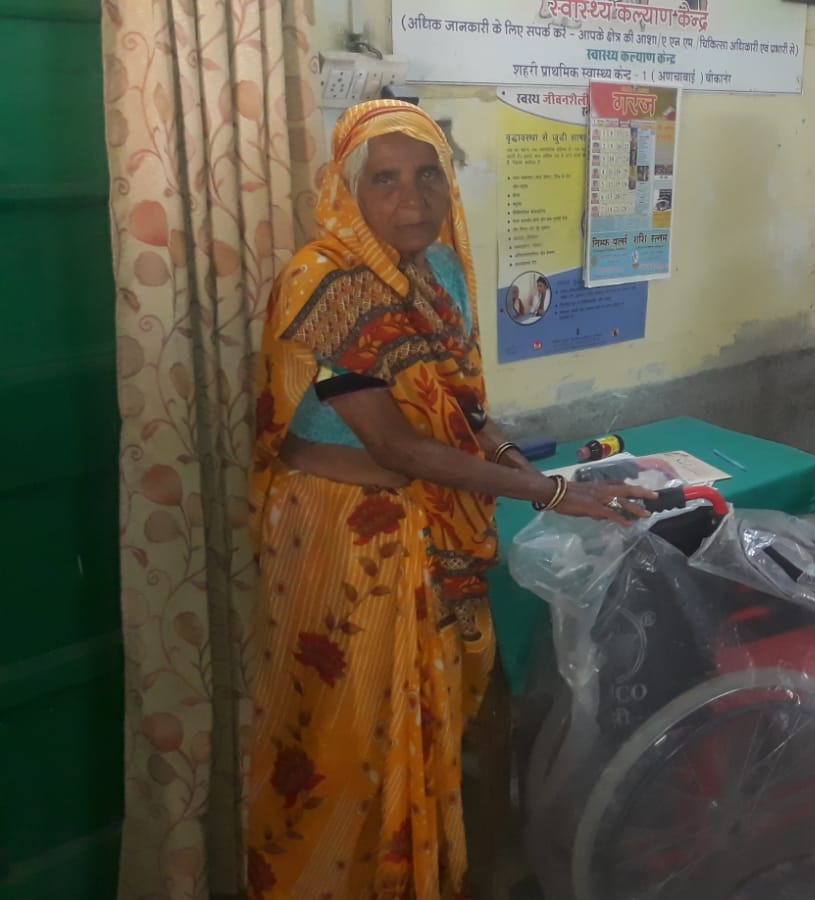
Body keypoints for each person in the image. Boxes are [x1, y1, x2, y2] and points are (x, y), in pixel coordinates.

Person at [245, 100, 654, 898]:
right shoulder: (326, 284)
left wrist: (519, 463)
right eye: (386, 179)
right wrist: (551, 492)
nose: (413, 199)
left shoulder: (440, 278)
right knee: (350, 735)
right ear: (348, 190)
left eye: (429, 174)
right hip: (349, 543)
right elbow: (395, 447)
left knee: (433, 724)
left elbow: (463, 413)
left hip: (433, 522)